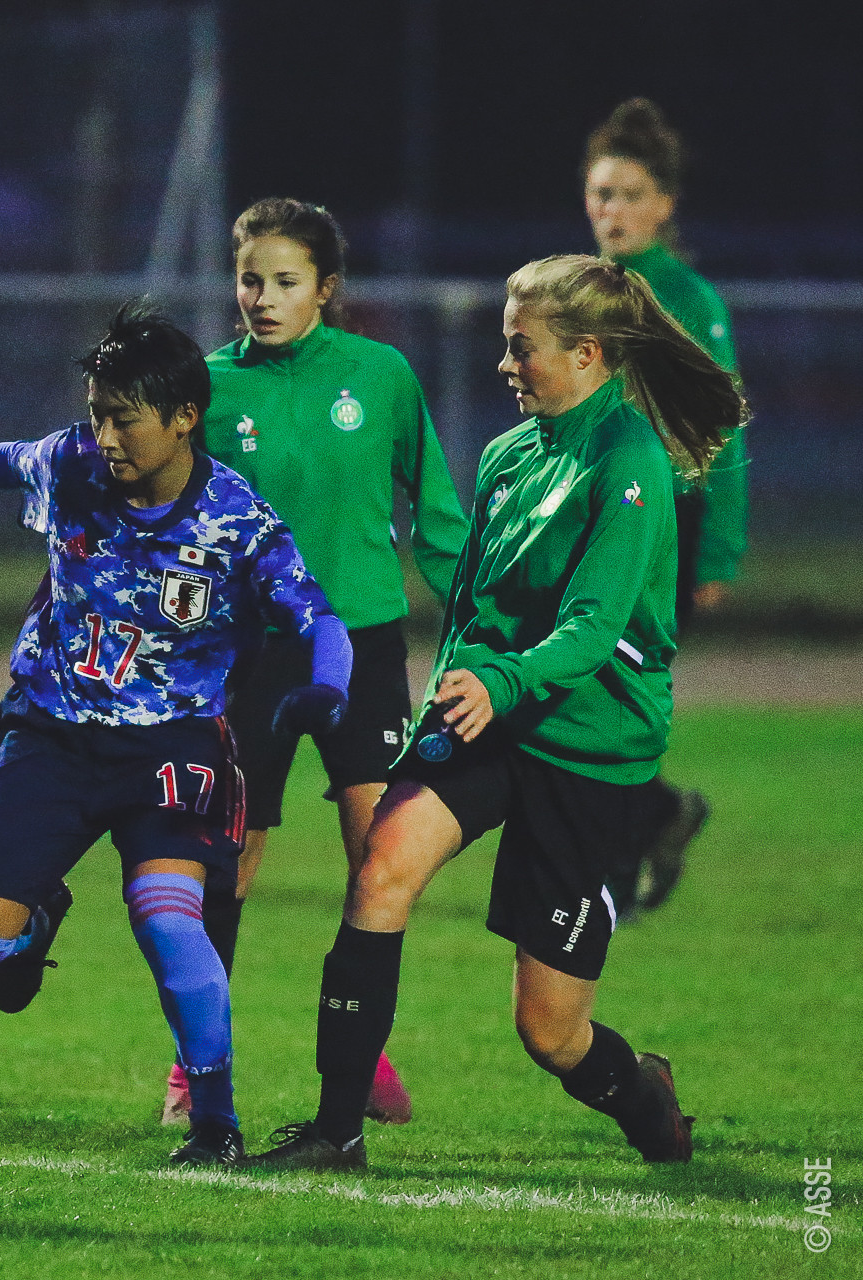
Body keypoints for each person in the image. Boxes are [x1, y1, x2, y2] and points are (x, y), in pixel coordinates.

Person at [250, 254, 745, 1172]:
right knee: (380, 871)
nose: (504, 364)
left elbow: (592, 628)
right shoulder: (509, 454)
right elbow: (474, 609)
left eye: (522, 348)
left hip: (588, 745)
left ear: (587, 354)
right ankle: (336, 1131)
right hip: (491, 718)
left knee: (549, 1031)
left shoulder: (627, 462)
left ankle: (646, 1099)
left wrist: (502, 682)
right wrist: (452, 693)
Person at [0, 302, 352, 1168]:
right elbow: (1, 459)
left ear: (185, 417)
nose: (105, 436)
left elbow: (320, 618)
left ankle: (214, 1124)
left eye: (125, 419)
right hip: (49, 734)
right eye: (97, 415)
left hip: (173, 745)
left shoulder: (235, 520)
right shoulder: (72, 465)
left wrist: (328, 689)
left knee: (168, 920)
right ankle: (36, 917)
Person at [159, 198, 469, 1129]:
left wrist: (485, 621)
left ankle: (361, 1057)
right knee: (228, 861)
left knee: (378, 860)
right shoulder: (209, 390)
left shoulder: (381, 375)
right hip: (249, 653)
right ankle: (195, 1064)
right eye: (249, 280)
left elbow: (438, 516)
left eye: (285, 281)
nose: (262, 297)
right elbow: (174, 529)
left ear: (327, 289)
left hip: (364, 644)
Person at [583, 98, 743, 917]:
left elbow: (725, 429)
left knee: (611, 700)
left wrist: (717, 551)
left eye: (630, 195)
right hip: (586, 523)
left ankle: (612, 877)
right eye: (601, 193)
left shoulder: (687, 296)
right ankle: (655, 817)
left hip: (662, 529)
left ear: (664, 206)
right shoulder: (576, 291)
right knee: (576, 698)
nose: (612, 211)